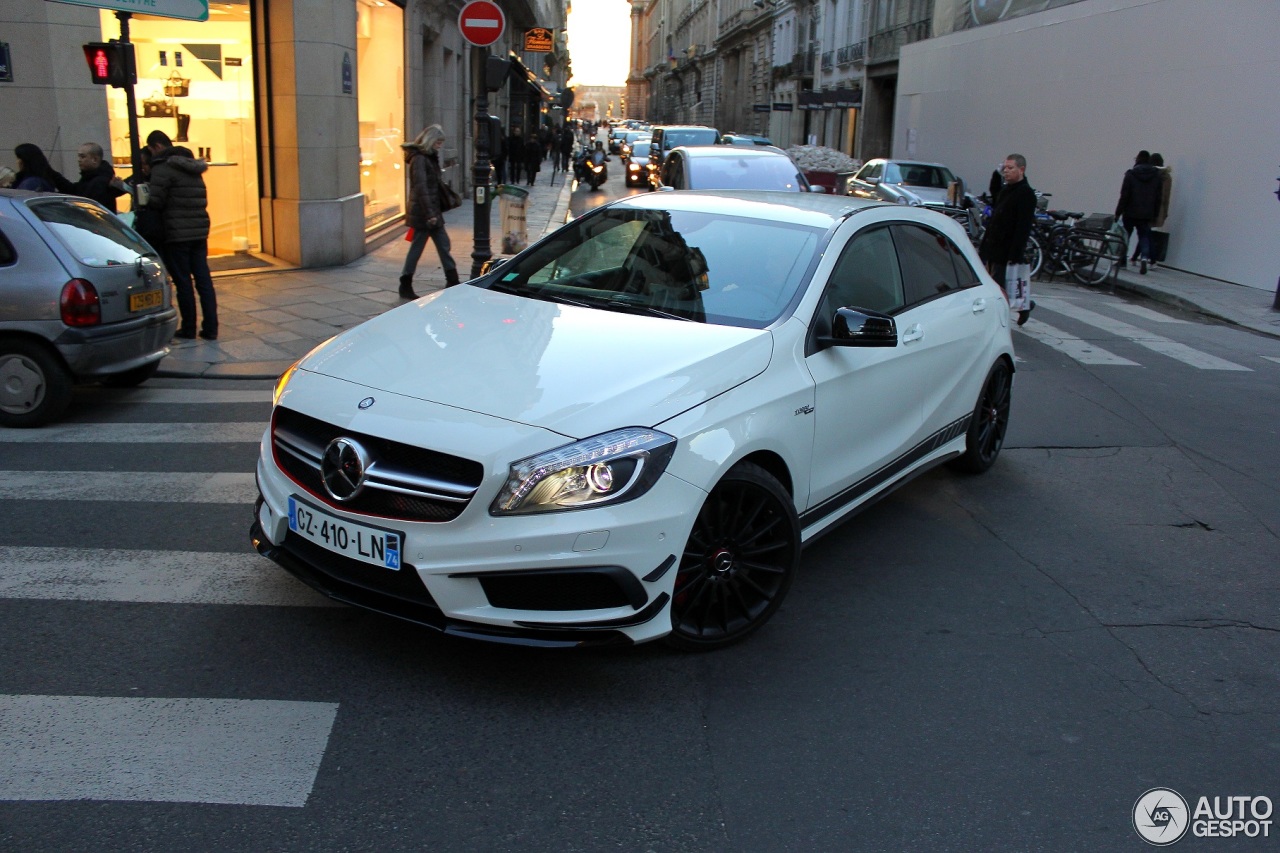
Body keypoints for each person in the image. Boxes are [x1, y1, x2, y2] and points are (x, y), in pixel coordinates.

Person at [146, 129, 218, 340]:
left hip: (177, 233)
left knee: (183, 281)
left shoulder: (162, 168)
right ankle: (211, 328)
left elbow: (156, 201)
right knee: (203, 279)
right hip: (199, 231)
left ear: (157, 147)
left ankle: (188, 328)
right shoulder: (193, 168)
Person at [399, 124, 460, 298]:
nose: (440, 145)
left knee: (443, 244)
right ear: (430, 140)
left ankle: (452, 279)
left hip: (431, 210)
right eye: (438, 142)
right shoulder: (419, 159)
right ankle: (405, 283)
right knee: (418, 248)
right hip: (424, 213)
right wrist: (430, 214)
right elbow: (421, 188)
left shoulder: (429, 157)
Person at [978, 153, 1037, 326]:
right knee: (1000, 286)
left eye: (1010, 168)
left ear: (1022, 170)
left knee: (1000, 288)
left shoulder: (1026, 194)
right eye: (1005, 168)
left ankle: (997, 322)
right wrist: (996, 174)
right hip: (992, 245)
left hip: (1006, 250)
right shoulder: (1006, 190)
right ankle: (1024, 306)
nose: (1006, 172)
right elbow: (995, 194)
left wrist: (1015, 254)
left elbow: (1022, 228)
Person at [1115, 150, 1162, 274]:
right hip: (1146, 213)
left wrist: (1118, 212)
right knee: (1144, 236)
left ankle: (1122, 261)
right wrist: (1155, 214)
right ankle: (1145, 259)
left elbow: (1124, 195)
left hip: (1130, 211)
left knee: (1126, 236)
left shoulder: (1130, 174)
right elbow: (1158, 198)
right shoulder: (1156, 176)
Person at [70, 142, 126, 212]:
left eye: (82, 156)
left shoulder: (100, 182)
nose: (79, 160)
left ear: (95, 160)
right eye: (79, 156)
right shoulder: (88, 178)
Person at [9, 143, 73, 193]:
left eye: (18, 158)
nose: (17, 162)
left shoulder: (32, 182)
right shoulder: (46, 175)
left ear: (24, 160)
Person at [1148, 152, 1173, 267]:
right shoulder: (1166, 177)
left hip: (1147, 208)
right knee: (1146, 233)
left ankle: (1149, 259)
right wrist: (1165, 212)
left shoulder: (1149, 174)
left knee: (1145, 233)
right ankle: (1144, 258)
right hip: (1159, 210)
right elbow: (1166, 197)